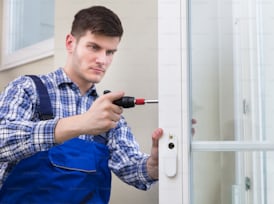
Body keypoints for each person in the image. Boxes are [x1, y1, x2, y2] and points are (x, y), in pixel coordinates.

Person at [0, 5, 163, 203]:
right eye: (94, 47)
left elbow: (130, 167)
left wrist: (154, 165)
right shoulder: (28, 88)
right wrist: (82, 123)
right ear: (70, 43)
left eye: (110, 52)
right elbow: (3, 140)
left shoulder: (108, 112)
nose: (102, 60)